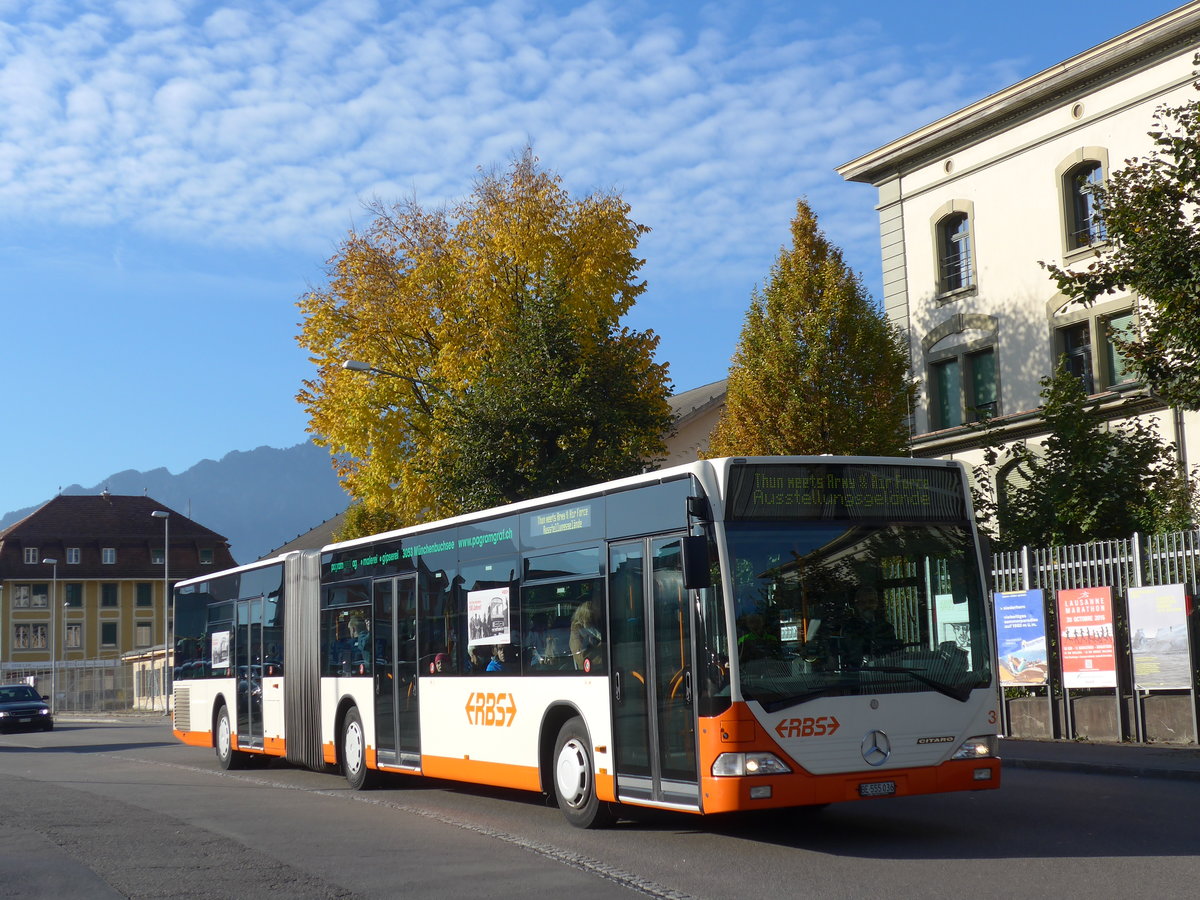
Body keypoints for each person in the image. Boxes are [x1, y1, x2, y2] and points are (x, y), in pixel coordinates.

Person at [839, 586, 899, 667]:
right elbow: (848, 656)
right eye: (863, 603)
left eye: (871, 601)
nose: (867, 605)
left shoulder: (886, 628)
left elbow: (892, 653)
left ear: (876, 603)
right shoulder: (849, 628)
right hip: (856, 675)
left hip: (884, 674)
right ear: (857, 605)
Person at [569, 601, 603, 672]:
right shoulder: (577, 630)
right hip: (593, 670)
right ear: (587, 614)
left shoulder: (596, 627)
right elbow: (581, 658)